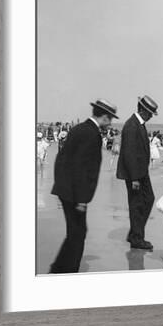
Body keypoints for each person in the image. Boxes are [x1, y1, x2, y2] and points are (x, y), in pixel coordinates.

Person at [49, 99, 118, 273]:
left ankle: (59, 267)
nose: (110, 123)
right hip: (75, 195)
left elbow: (61, 159)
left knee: (76, 232)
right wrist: (81, 199)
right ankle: (68, 271)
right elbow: (82, 168)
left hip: (66, 190)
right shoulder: (91, 134)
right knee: (77, 234)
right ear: (104, 117)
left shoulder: (79, 129)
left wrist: (61, 185)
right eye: (110, 119)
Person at [116, 95, 159, 250]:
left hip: (141, 172)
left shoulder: (138, 124)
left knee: (147, 200)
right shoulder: (132, 125)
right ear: (142, 110)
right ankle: (137, 238)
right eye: (149, 113)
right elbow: (129, 153)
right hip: (135, 174)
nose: (150, 117)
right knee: (137, 204)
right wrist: (134, 178)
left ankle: (135, 233)